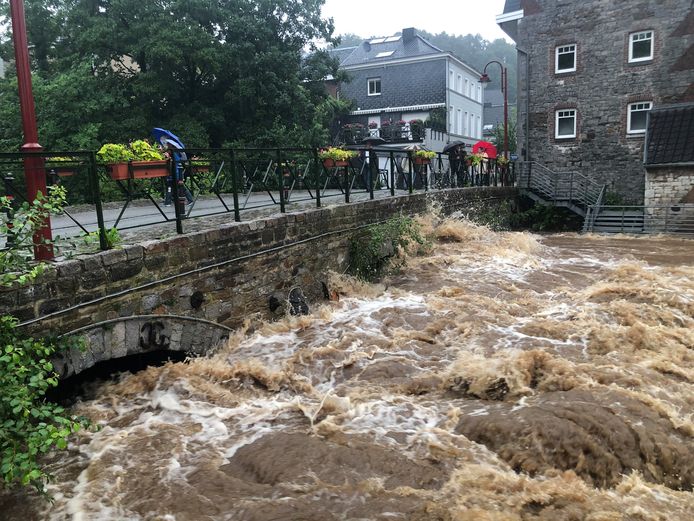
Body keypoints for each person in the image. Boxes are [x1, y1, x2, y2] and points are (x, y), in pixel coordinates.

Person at [159, 138, 193, 207]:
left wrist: (169, 158)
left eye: (168, 144)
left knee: (180, 186)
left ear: (172, 145)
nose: (167, 145)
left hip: (176, 172)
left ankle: (190, 200)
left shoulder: (175, 153)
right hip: (174, 172)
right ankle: (168, 202)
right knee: (171, 186)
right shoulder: (172, 152)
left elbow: (176, 162)